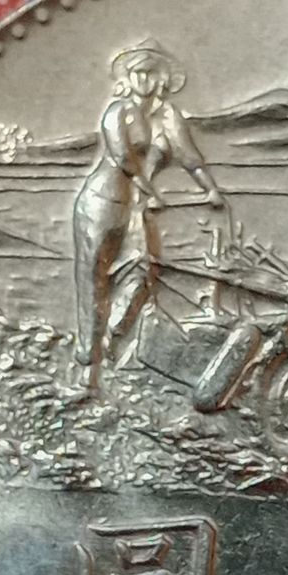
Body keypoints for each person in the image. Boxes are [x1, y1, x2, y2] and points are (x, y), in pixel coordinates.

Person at [73, 40, 224, 391]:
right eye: (137, 73)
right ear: (127, 78)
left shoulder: (168, 117)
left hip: (135, 208)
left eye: (150, 73)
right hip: (101, 203)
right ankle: (87, 366)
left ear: (161, 79)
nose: (143, 79)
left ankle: (111, 340)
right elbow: (122, 158)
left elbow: (190, 157)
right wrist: (151, 190)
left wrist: (210, 189)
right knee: (93, 280)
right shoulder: (117, 112)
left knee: (142, 273)